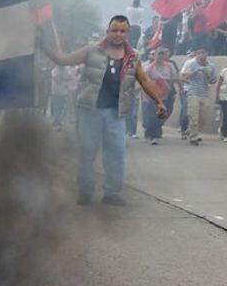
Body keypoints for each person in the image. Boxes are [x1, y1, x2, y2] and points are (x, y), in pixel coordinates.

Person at [39, 15, 167, 206]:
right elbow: (64, 60)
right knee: (87, 152)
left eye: (122, 31)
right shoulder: (92, 50)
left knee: (116, 154)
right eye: (114, 30)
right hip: (90, 110)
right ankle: (85, 192)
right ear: (107, 32)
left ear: (128, 33)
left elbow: (145, 80)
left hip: (116, 113)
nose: (118, 34)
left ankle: (112, 193)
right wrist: (43, 44)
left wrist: (159, 101)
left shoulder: (133, 57)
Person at [180, 47, 217, 145]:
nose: (201, 55)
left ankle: (191, 130)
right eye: (199, 53)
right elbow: (183, 77)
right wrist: (195, 71)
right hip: (192, 92)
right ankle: (194, 138)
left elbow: (213, 80)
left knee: (202, 117)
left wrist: (207, 75)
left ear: (207, 53)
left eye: (203, 52)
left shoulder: (211, 66)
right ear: (196, 54)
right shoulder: (190, 63)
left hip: (204, 93)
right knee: (193, 116)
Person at [142, 47, 178, 145]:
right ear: (155, 56)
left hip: (165, 94)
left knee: (163, 114)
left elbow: (175, 77)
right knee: (153, 115)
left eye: (162, 54)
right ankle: (151, 135)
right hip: (153, 95)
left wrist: (166, 81)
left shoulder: (170, 66)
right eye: (159, 54)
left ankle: (155, 132)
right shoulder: (149, 68)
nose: (160, 56)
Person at [48, 60, 79, 131]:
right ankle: (57, 122)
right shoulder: (65, 71)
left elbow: (56, 79)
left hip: (55, 92)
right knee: (60, 108)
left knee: (57, 108)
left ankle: (56, 123)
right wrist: (65, 82)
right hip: (63, 92)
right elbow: (69, 78)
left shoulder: (54, 71)